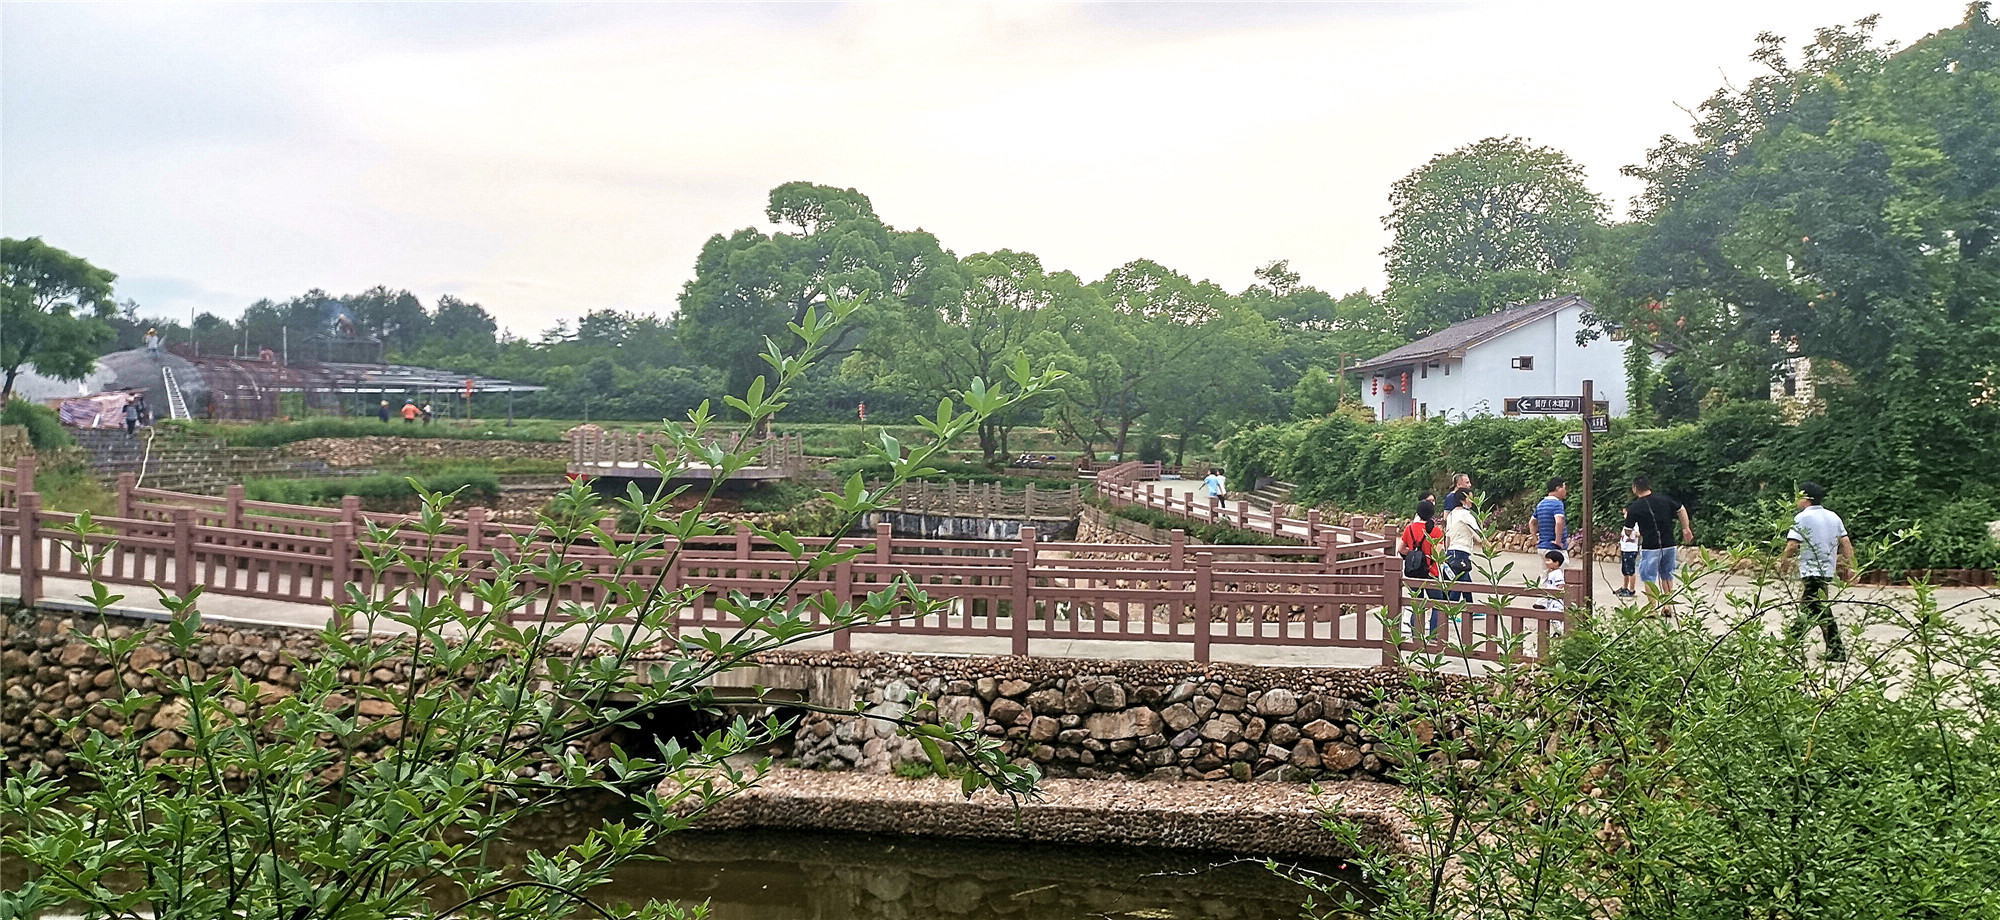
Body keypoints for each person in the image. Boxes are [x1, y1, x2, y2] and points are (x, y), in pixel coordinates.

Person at [1780, 481, 1855, 662]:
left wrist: (1783, 561)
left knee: (1815, 607)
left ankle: (1794, 643)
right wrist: (1851, 566)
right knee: (1814, 607)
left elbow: (1792, 544)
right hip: (1826, 569)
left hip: (1811, 569)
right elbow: (1845, 543)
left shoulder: (1802, 518)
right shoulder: (1833, 517)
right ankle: (1797, 643)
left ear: (1806, 499)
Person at [1624, 476, 1693, 610]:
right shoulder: (1664, 499)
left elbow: (1628, 531)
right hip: (1669, 544)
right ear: (1649, 486)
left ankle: (1652, 607)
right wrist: (1686, 528)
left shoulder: (1635, 508)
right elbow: (1681, 509)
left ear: (1635, 489)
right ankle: (1667, 606)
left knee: (1649, 577)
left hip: (1650, 546)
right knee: (1667, 575)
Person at [1397, 498, 1446, 635]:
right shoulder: (1436, 531)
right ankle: (1434, 636)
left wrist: (1414, 556)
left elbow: (1401, 549)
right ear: (1432, 513)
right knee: (1438, 604)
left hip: (1415, 572)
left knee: (1417, 604)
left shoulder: (1409, 528)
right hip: (1431, 572)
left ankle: (1416, 636)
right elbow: (1437, 554)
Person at [1443, 485, 1483, 608]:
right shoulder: (1466, 515)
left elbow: (1447, 536)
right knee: (1459, 583)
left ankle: (1470, 606)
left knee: (1465, 581)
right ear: (1463, 500)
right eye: (1470, 499)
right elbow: (1479, 535)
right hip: (1461, 552)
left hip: (1451, 552)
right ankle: (1452, 609)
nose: (1472, 501)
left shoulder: (1451, 515)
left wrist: (1445, 554)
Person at [1533, 477, 1569, 563]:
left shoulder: (1541, 504)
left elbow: (1532, 522)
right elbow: (1559, 522)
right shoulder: (1557, 504)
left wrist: (1535, 539)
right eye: (1564, 488)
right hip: (1555, 549)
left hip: (1543, 547)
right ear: (1558, 488)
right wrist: (1558, 541)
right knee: (1558, 573)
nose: (1565, 491)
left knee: (1546, 574)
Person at [1617, 521, 1641, 598]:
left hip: (1631, 549)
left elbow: (1638, 534)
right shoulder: (1627, 524)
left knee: (1631, 570)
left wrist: (1632, 535)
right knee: (1625, 570)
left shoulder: (1634, 524)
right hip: (1625, 549)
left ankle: (1632, 590)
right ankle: (1625, 587)